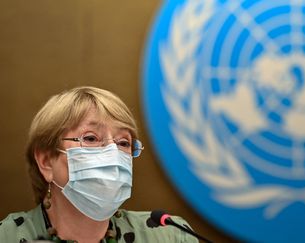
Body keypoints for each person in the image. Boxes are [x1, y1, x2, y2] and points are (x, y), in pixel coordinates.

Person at [0, 86, 198, 243]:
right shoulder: (7, 236)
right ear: (46, 162)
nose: (113, 153)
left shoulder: (169, 235)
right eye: (91, 138)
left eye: (123, 143)